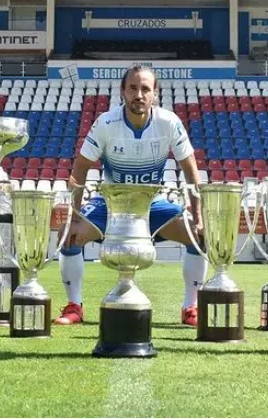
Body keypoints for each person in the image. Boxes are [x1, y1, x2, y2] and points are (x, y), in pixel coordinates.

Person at [54, 65, 208, 327]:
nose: (139, 94)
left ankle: (190, 307)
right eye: (133, 88)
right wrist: (75, 216)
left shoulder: (169, 122)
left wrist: (199, 218)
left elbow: (191, 172)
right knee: (69, 237)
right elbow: (80, 168)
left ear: (155, 94)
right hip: (111, 205)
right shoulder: (106, 122)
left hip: (153, 205)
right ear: (122, 92)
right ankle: (74, 306)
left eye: (145, 89)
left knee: (199, 237)